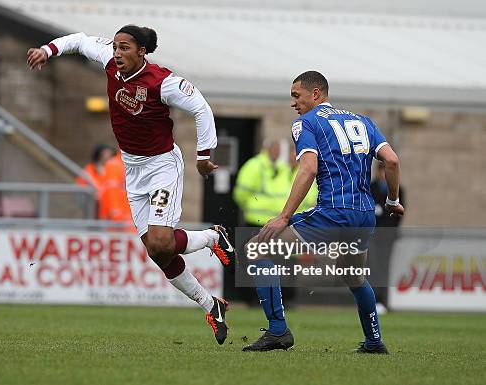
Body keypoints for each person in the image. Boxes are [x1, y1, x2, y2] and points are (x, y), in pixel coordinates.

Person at [27, 25, 236, 344]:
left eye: (125, 48)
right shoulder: (110, 62)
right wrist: (48, 50)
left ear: (142, 51)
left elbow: (201, 108)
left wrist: (203, 155)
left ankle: (211, 237)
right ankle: (212, 306)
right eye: (116, 46)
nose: (117, 52)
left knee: (162, 241)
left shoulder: (163, 81)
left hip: (163, 165)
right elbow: (80, 41)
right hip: (133, 168)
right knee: (157, 252)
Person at [242, 71, 404, 353]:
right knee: (353, 275)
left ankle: (278, 330)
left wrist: (283, 216)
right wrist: (392, 200)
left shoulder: (306, 123)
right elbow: (391, 160)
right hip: (364, 214)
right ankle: (374, 341)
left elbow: (308, 168)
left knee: (257, 250)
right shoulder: (364, 121)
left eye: (296, 95)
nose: (293, 102)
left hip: (332, 212)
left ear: (315, 94)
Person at [233, 139, 316, 305]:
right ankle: (256, 298)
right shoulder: (267, 167)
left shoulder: (286, 170)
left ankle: (283, 298)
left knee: (285, 261)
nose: (293, 157)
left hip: (291, 224)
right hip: (264, 222)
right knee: (259, 258)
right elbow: (243, 193)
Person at [370, 161, 404, 309]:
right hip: (373, 234)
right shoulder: (371, 187)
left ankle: (384, 301)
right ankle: (374, 300)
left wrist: (383, 212)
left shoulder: (398, 189)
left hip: (388, 235)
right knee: (373, 266)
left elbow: (399, 213)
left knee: (385, 267)